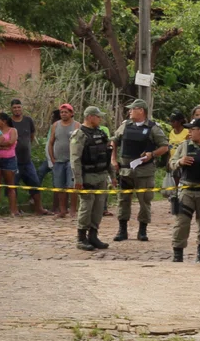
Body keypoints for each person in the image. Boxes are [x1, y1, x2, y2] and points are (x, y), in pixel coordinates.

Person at [111, 99, 169, 242]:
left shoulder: (153, 128)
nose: (130, 111)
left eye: (133, 109)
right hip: (126, 171)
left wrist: (152, 154)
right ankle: (122, 230)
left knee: (144, 201)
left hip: (144, 171)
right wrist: (113, 159)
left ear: (141, 110)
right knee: (123, 200)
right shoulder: (125, 126)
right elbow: (114, 141)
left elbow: (165, 146)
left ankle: (142, 230)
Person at [170, 118, 200, 263]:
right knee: (181, 223)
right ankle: (177, 255)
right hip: (187, 190)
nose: (189, 132)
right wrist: (180, 162)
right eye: (189, 129)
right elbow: (171, 163)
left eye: (192, 129)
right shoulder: (184, 146)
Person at [71, 106, 113, 251]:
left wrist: (112, 176)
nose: (100, 119)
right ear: (90, 117)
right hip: (87, 176)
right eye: (98, 116)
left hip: (101, 175)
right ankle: (81, 237)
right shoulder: (79, 134)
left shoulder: (101, 133)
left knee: (98, 207)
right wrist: (78, 179)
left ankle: (93, 235)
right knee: (86, 207)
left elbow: (106, 156)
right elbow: (75, 159)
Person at [9, 99, 47, 216]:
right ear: (11, 109)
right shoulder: (9, 122)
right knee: (12, 185)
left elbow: (31, 136)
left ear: (22, 108)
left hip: (27, 160)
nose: (17, 109)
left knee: (35, 183)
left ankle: (38, 208)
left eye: (19, 107)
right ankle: (14, 210)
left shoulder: (28, 120)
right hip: (13, 160)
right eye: (14, 107)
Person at [47, 104, 80, 218]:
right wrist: (52, 157)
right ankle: (62, 210)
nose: (63, 114)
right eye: (61, 112)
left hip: (72, 160)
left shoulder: (76, 125)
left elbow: (81, 143)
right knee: (60, 187)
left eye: (66, 112)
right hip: (58, 160)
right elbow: (51, 142)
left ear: (71, 113)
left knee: (72, 186)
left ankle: (73, 210)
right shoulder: (55, 125)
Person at [0, 112, 21, 216]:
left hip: (9, 159)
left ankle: (12, 211)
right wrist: (1, 146)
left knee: (10, 186)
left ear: (4, 121)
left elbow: (11, 142)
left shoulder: (12, 130)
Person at [163, 112, 188, 216]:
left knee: (183, 183)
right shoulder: (171, 132)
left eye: (174, 121)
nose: (172, 123)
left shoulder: (187, 132)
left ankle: (185, 204)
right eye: (171, 121)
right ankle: (175, 204)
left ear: (180, 121)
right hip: (174, 161)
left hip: (183, 161)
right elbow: (170, 148)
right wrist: (168, 161)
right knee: (175, 184)